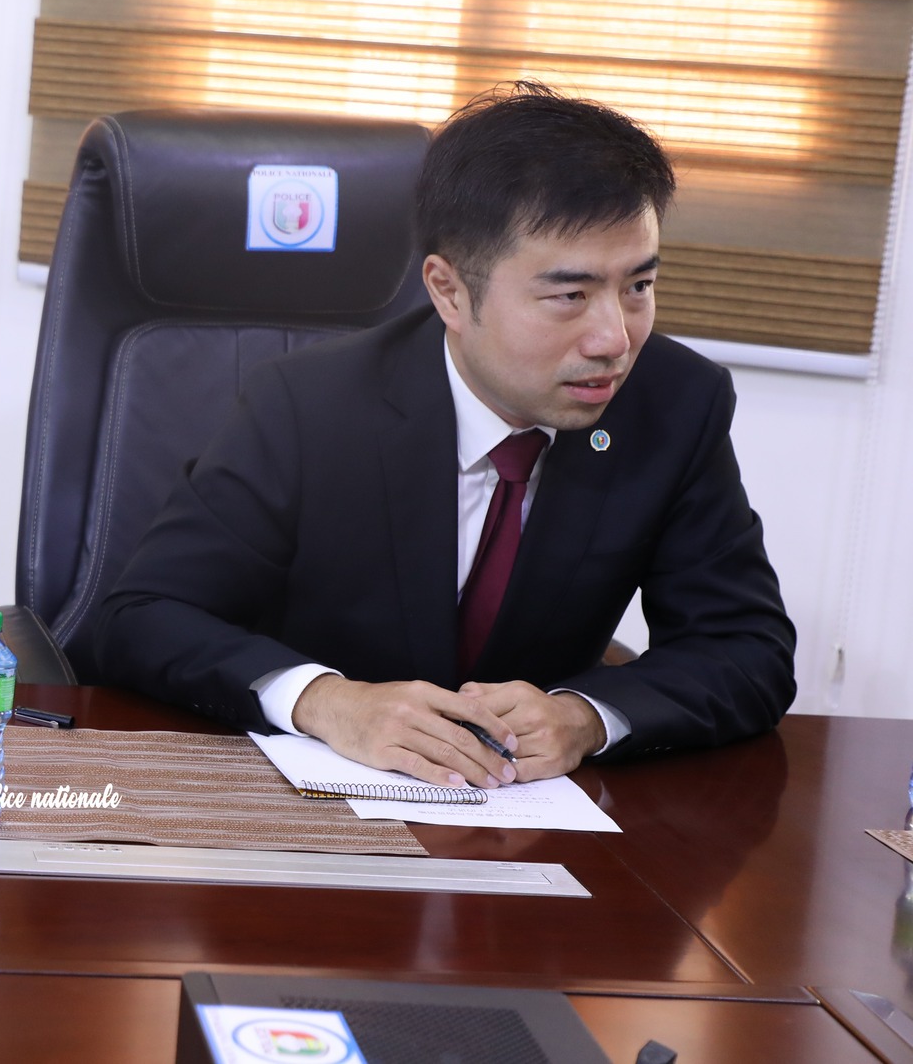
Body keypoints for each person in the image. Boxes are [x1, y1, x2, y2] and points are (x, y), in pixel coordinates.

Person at [87, 82, 795, 787]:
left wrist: (585, 715)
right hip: (308, 801)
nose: (615, 337)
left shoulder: (673, 404)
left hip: (522, 825)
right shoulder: (308, 405)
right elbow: (142, 615)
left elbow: (747, 648)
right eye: (569, 296)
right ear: (450, 291)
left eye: (638, 286)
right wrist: (327, 700)